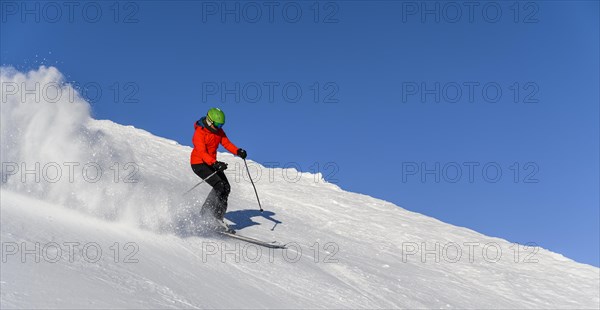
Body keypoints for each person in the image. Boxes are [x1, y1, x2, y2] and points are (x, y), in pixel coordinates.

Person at [190, 107, 247, 233]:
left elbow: (226, 143)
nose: (219, 126)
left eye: (221, 124)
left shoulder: (218, 131)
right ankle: (209, 216)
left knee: (226, 187)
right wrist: (215, 163)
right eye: (217, 124)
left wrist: (238, 151)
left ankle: (216, 218)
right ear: (210, 121)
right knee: (219, 186)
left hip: (212, 163)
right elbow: (202, 152)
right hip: (199, 164)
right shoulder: (199, 133)